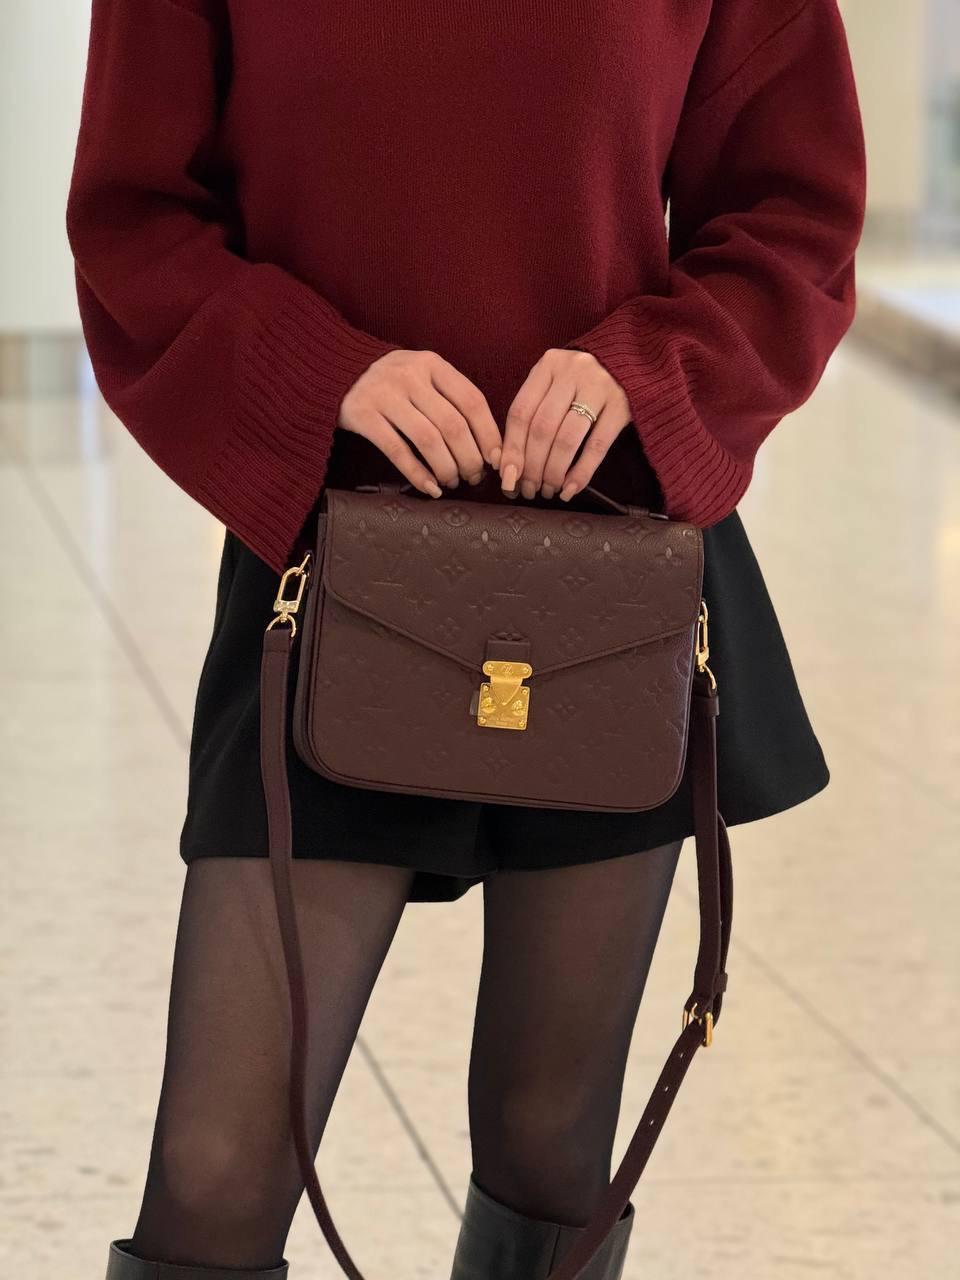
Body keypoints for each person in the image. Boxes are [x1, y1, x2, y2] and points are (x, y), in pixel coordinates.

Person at [65, 2, 866, 1277]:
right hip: (332, 566)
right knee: (217, 1171)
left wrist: (652, 369)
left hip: (613, 572)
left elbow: (794, 213)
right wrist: (314, 371)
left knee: (552, 1152)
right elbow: (135, 217)